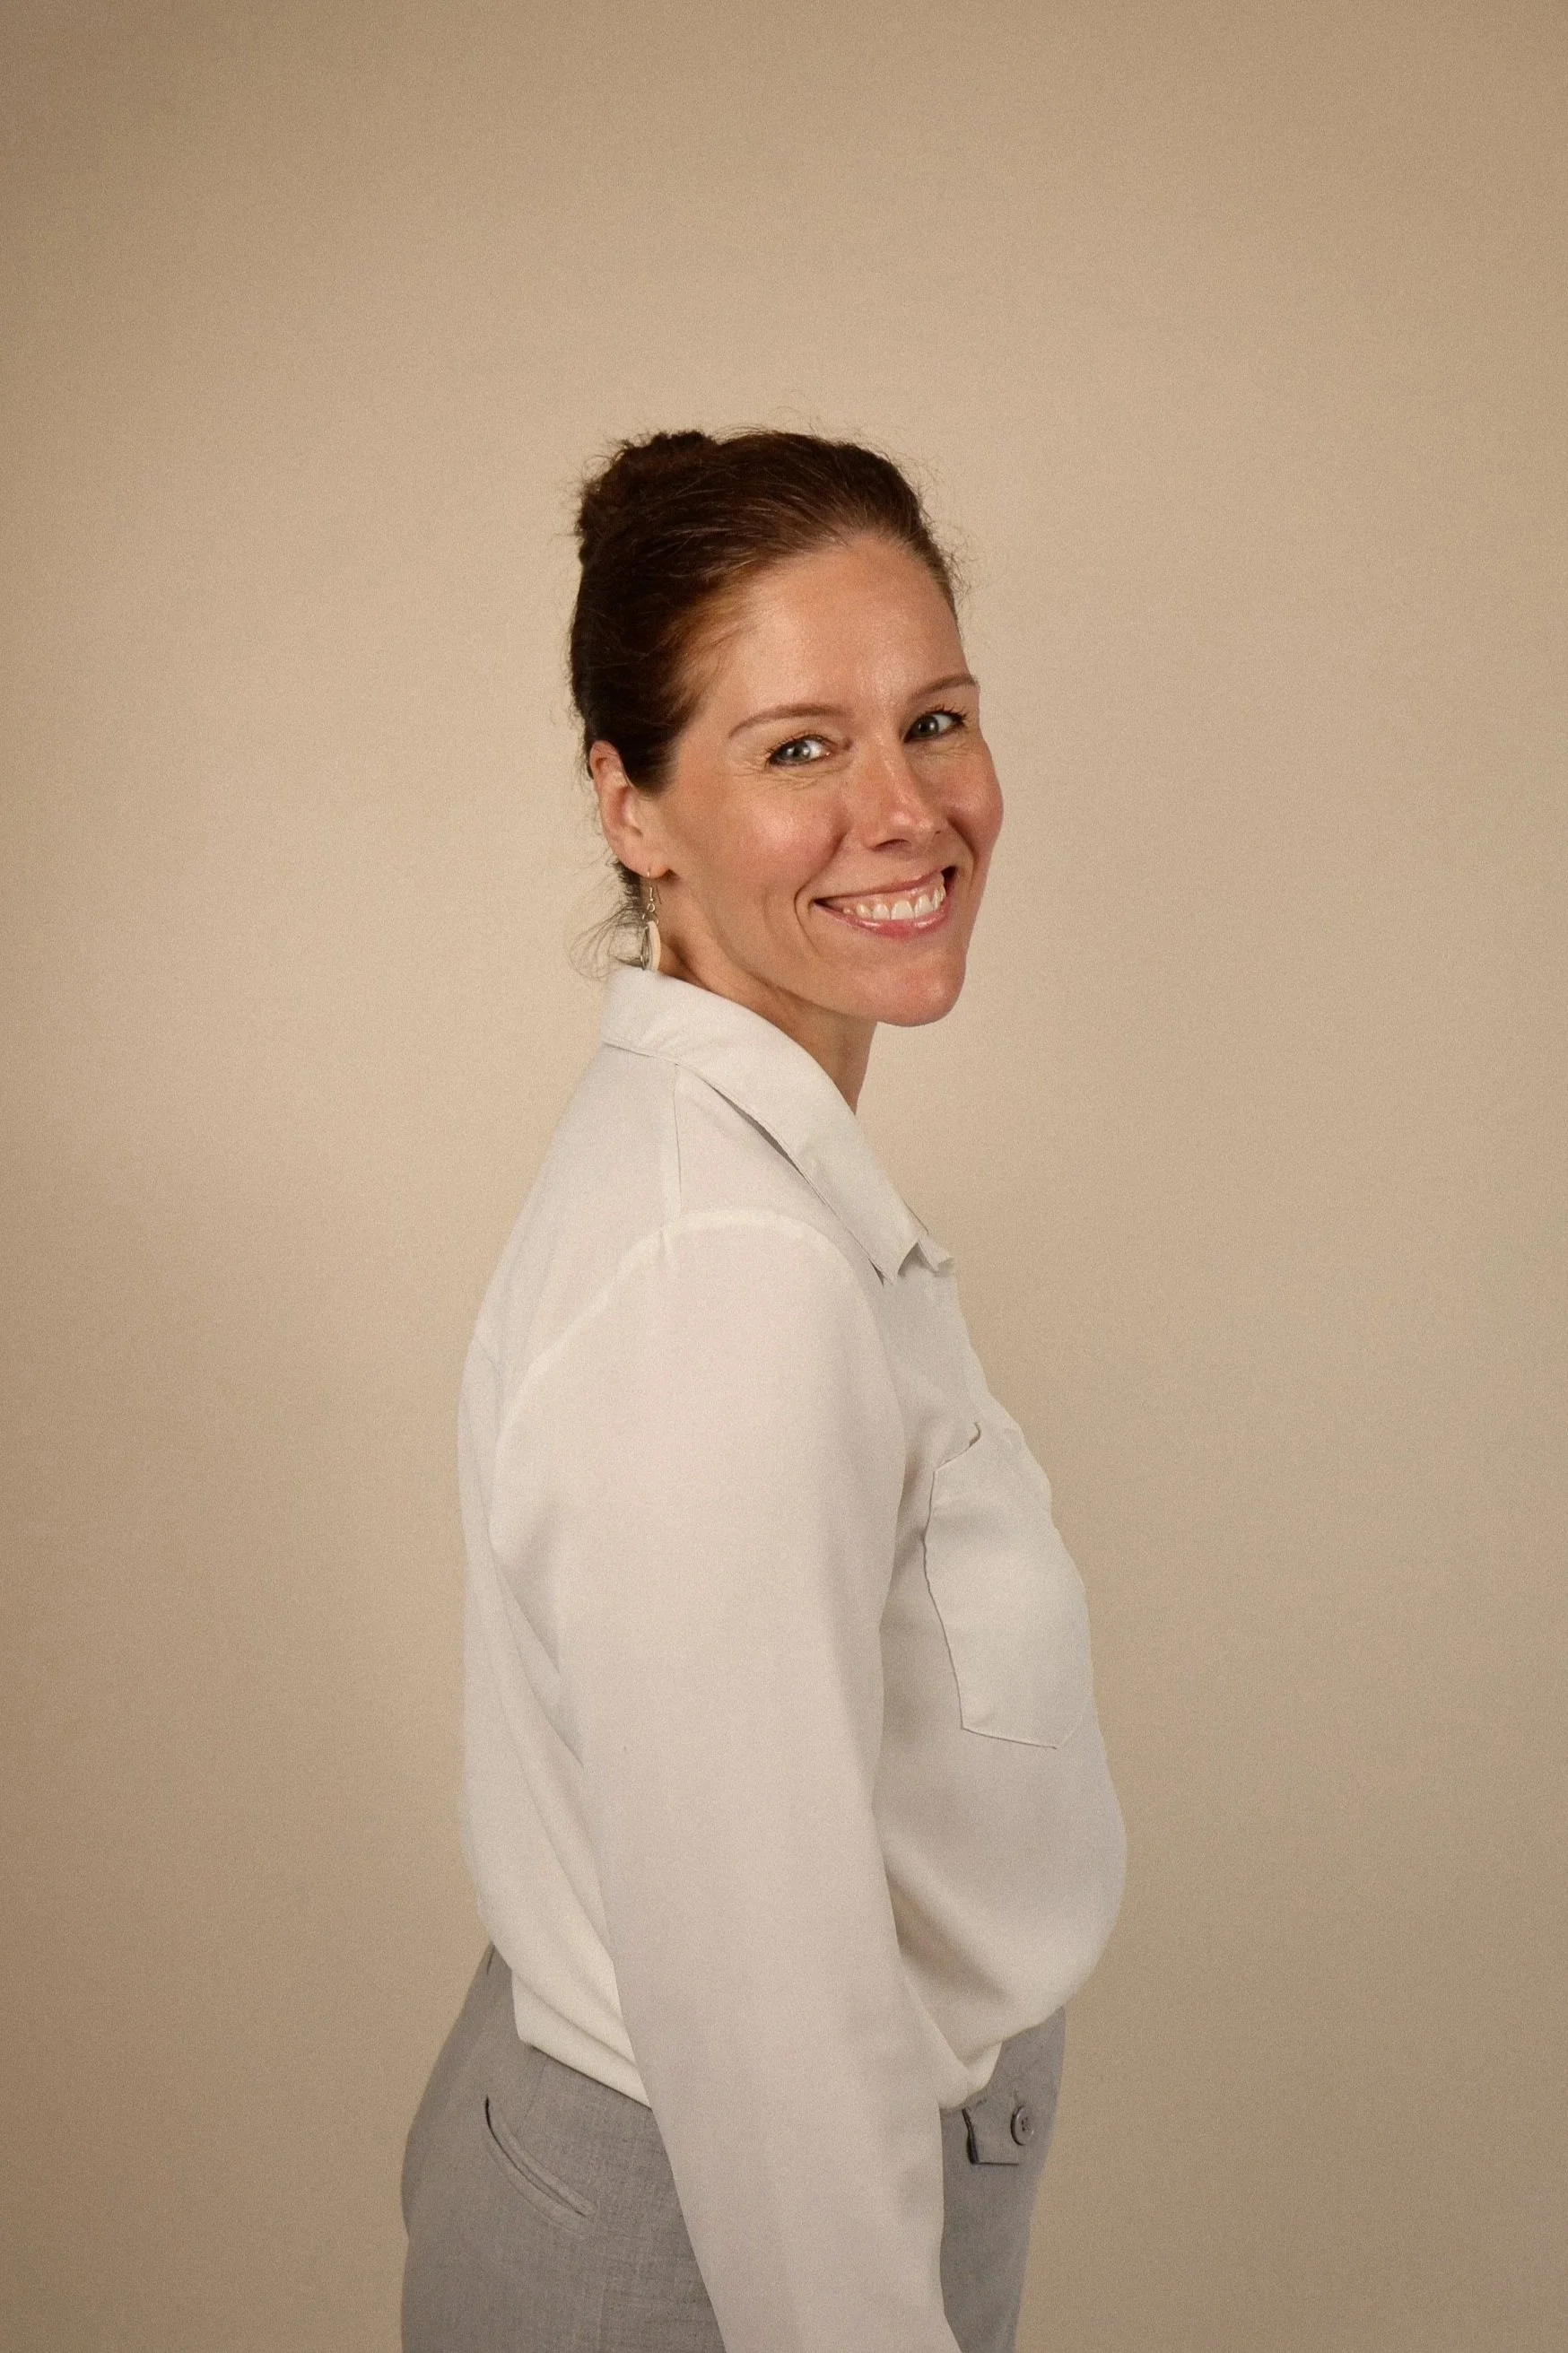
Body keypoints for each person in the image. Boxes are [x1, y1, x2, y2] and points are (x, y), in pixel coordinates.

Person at [400, 428, 1126, 2353]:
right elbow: (764, 2009)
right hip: (719, 2248)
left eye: (935, 720)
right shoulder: (727, 1273)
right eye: (800, 748)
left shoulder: (732, 1174)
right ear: (631, 806)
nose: (907, 809)